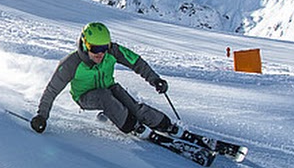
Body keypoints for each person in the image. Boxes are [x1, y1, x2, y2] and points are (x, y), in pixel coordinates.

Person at [30, 22, 185, 138]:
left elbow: (136, 62)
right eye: (95, 49)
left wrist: (155, 80)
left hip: (109, 87)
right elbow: (51, 91)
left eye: (104, 48)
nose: (101, 54)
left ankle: (164, 124)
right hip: (84, 96)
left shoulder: (113, 51)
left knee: (132, 105)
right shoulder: (70, 64)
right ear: (84, 45)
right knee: (105, 97)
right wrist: (41, 116)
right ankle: (131, 125)